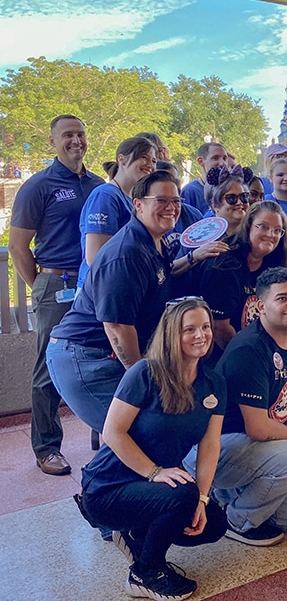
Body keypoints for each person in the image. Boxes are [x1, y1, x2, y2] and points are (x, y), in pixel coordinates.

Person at [77, 298, 227, 601]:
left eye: (205, 327)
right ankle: (146, 573)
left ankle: (136, 533)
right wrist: (154, 472)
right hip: (108, 487)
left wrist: (202, 498)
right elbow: (113, 432)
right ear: (171, 334)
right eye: (189, 329)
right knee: (182, 494)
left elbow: (210, 443)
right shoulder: (145, 373)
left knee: (213, 524)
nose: (201, 335)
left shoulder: (213, 382)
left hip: (152, 486)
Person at [46, 171, 183, 434]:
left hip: (109, 352)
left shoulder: (154, 243)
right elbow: (117, 327)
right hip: (85, 355)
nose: (171, 207)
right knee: (135, 433)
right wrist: (142, 379)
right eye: (161, 200)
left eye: (176, 201)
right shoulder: (126, 254)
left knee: (154, 429)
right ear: (138, 204)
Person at [185, 267, 287, 546]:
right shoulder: (249, 348)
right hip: (215, 448)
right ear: (261, 307)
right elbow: (257, 428)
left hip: (257, 448)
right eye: (282, 298)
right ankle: (236, 521)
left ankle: (227, 495)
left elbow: (286, 402)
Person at [9, 114, 104, 475]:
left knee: (103, 356)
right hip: (56, 285)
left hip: (94, 286)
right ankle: (47, 447)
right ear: (52, 141)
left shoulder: (97, 186)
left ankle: (107, 437)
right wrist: (42, 286)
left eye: (80, 134)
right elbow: (18, 247)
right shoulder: (38, 186)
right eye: (67, 135)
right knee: (48, 367)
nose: (76, 141)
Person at [195, 200, 287, 348]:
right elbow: (219, 328)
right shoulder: (223, 265)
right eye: (264, 227)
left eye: (277, 230)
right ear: (248, 226)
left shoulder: (276, 263)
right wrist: (249, 354)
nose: (271, 235)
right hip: (223, 350)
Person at [76, 135, 157, 288]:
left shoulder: (134, 199)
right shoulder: (105, 195)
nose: (150, 165)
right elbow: (95, 256)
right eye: (143, 157)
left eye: (153, 161)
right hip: (102, 287)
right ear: (122, 159)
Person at [181, 142, 228, 212]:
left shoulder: (230, 189)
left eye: (224, 158)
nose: (222, 163)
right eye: (215, 158)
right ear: (201, 161)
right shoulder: (190, 191)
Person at [204, 166, 250, 237]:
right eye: (231, 198)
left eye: (244, 196)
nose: (240, 202)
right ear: (214, 205)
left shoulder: (257, 234)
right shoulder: (205, 237)